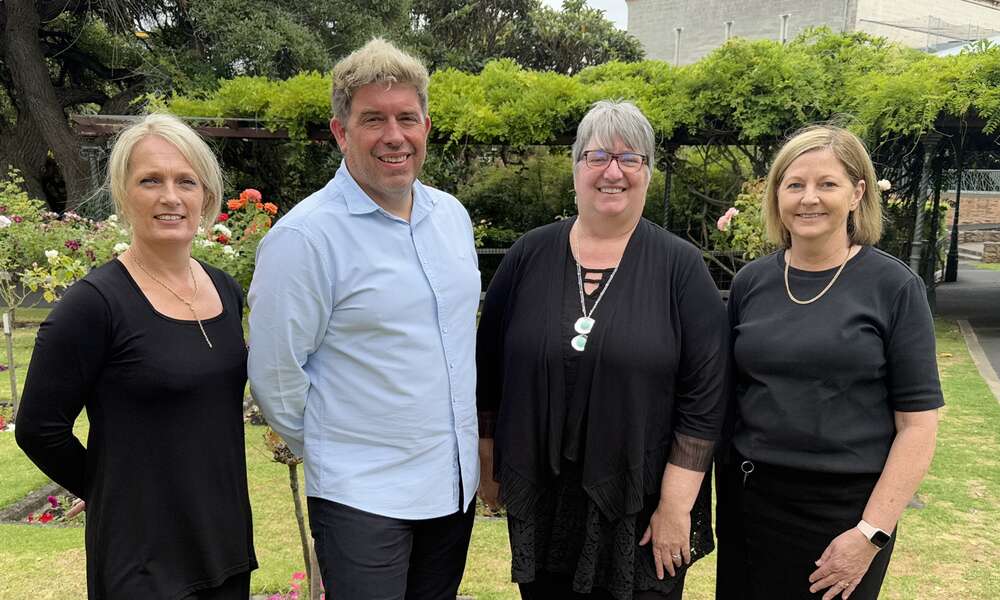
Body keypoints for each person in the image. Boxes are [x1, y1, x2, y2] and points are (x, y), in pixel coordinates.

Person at [247, 38, 481, 600]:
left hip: (451, 489)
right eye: (373, 119)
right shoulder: (305, 239)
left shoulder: (451, 217)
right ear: (340, 132)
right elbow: (276, 374)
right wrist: (339, 445)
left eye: (407, 117)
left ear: (426, 125)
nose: (394, 135)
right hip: (362, 499)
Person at [476, 100, 730, 600]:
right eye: (597, 157)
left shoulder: (681, 268)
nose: (613, 171)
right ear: (576, 169)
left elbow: (706, 399)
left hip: (641, 507)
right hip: (544, 501)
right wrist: (490, 467)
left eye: (630, 158)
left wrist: (677, 507)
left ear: (648, 174)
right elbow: (488, 371)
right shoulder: (529, 255)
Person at [15, 113, 257, 599]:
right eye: (151, 180)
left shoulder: (225, 289)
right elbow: (39, 429)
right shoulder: (94, 305)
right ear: (124, 195)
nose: (170, 196)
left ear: (206, 197)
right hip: (143, 561)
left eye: (185, 181)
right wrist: (107, 491)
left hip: (224, 545)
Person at [715, 125, 943, 600]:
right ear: (777, 194)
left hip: (845, 515)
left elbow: (918, 425)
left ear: (858, 193)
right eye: (794, 184)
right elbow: (727, 398)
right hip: (750, 502)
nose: (808, 198)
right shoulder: (751, 283)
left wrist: (870, 535)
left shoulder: (894, 287)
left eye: (828, 184)